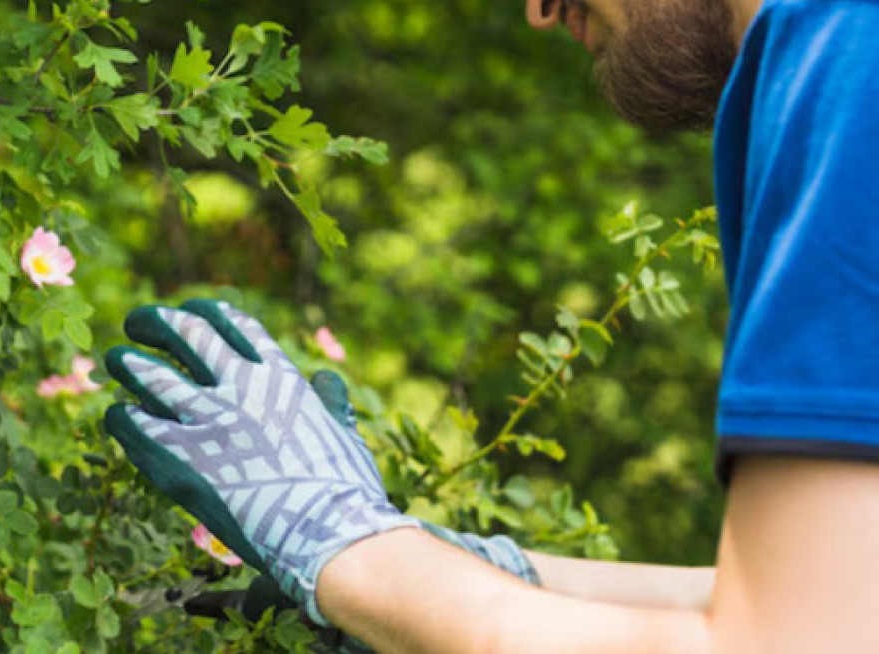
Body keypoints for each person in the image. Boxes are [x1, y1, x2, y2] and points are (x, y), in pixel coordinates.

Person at [104, 0, 879, 650]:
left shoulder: (845, 52)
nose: (539, 10)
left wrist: (347, 547)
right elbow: (845, 602)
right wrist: (472, 569)